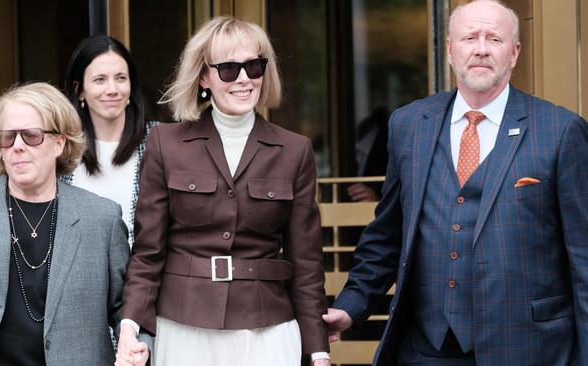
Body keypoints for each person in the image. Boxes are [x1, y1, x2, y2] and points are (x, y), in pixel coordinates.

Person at [323, 0, 588, 365]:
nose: (481, 48)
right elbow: (387, 236)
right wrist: (350, 307)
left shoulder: (560, 131)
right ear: (449, 49)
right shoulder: (409, 125)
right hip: (426, 349)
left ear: (514, 53)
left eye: (494, 38)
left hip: (527, 347)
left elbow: (583, 258)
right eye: (469, 37)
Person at [116, 16, 330, 366]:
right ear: (204, 77)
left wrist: (318, 351)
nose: (244, 79)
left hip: (267, 328)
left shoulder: (295, 150)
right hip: (184, 325)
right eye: (229, 69)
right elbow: (147, 253)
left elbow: (306, 262)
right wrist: (130, 326)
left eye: (254, 66)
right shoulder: (165, 144)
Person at [0, 82, 147, 365]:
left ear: (59, 143)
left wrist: (135, 345)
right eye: (7, 137)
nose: (18, 147)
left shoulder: (101, 218)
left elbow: (127, 306)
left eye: (31, 136)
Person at [63, 35, 158, 247]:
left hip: (144, 275)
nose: (112, 89)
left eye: (121, 78)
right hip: (85, 274)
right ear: (79, 90)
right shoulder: (62, 149)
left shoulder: (160, 140)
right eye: (100, 80)